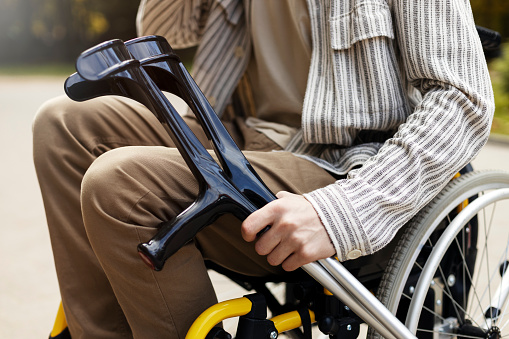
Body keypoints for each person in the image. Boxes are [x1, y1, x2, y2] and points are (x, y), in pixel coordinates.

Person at [33, 0, 494, 338]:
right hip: (240, 135)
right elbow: (160, 24)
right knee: (62, 126)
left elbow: (464, 101)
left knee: (120, 185)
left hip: (341, 166)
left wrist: (342, 211)